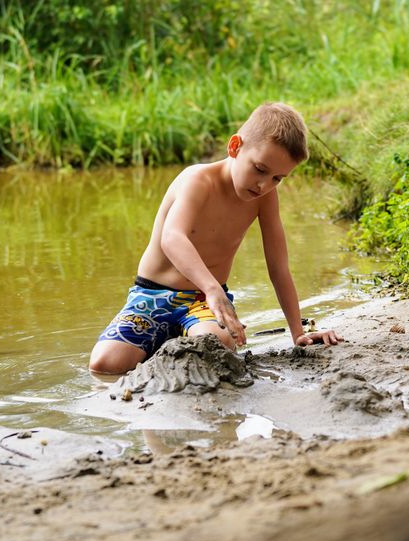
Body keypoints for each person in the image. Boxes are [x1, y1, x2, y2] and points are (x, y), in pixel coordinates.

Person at [88, 102, 343, 376]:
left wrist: (298, 333)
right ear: (235, 147)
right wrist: (213, 289)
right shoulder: (197, 180)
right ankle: (162, 340)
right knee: (104, 365)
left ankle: (179, 338)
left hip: (201, 301)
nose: (264, 185)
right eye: (259, 169)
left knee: (217, 345)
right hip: (153, 294)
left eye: (277, 178)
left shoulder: (265, 198)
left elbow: (278, 267)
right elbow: (172, 238)